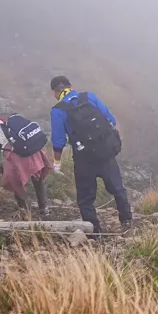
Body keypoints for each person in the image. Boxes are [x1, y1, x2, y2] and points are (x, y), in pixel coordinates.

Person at [48, 75, 133, 232]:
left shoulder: (57, 111)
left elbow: (58, 141)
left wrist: (57, 164)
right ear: (71, 86)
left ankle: (94, 232)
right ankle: (127, 221)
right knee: (117, 188)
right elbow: (111, 119)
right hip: (105, 153)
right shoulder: (89, 97)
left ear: (55, 93)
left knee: (86, 199)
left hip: (84, 159)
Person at [0, 107, 53, 219]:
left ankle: (26, 213)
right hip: (32, 151)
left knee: (15, 184)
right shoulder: (2, 122)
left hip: (17, 157)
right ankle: (44, 209)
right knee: (38, 179)